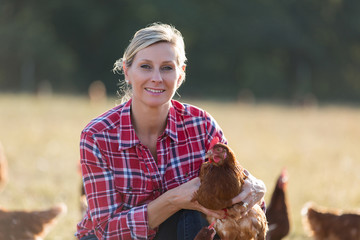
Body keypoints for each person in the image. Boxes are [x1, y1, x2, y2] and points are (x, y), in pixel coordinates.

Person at [75, 22, 266, 240]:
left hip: (181, 232)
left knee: (193, 217)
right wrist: (173, 199)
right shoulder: (97, 136)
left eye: (167, 67)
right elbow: (107, 230)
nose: (157, 78)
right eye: (145, 66)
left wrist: (256, 188)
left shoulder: (201, 125)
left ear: (181, 74)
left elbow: (237, 186)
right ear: (127, 72)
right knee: (187, 212)